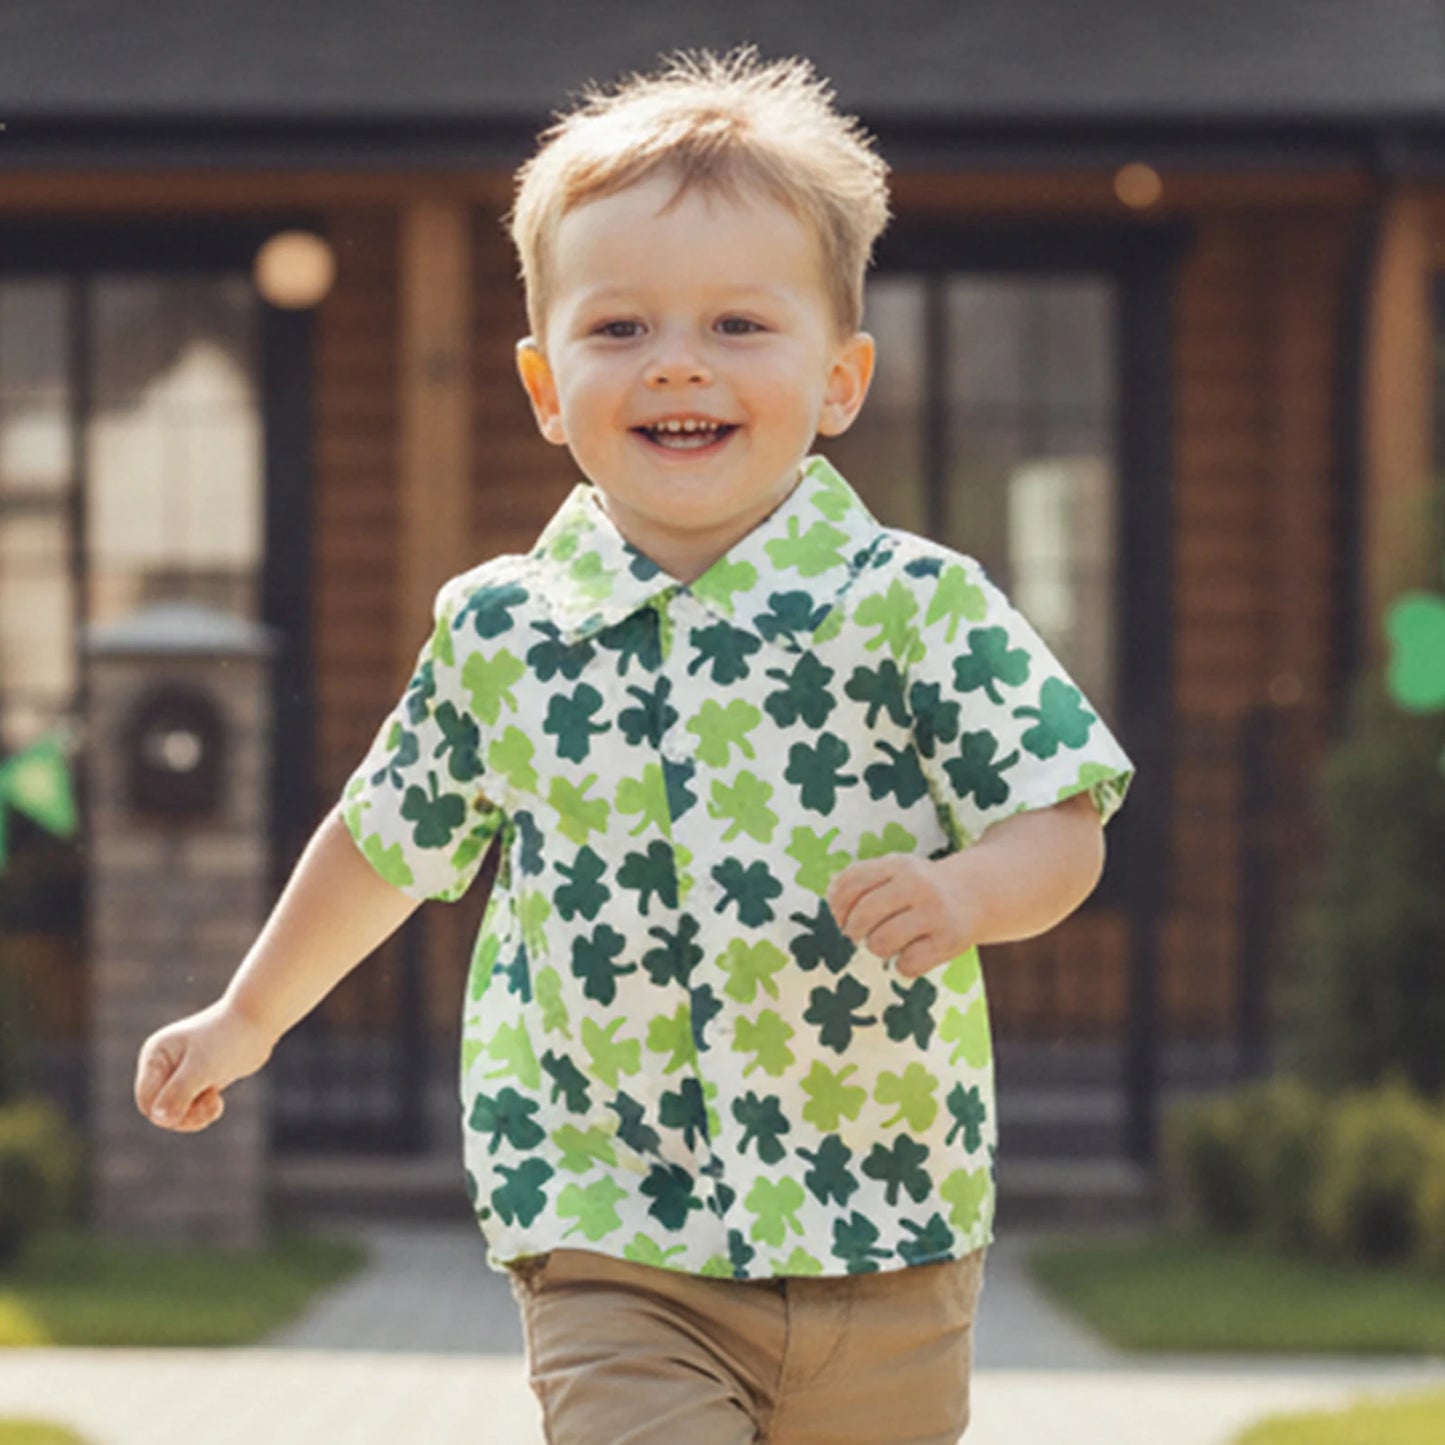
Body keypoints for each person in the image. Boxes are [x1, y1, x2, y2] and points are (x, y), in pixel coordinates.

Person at [136, 47, 1133, 1444]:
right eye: (619, 330)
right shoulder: (502, 631)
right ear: (547, 386)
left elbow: (1060, 817)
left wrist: (968, 891)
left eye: (737, 324)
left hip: (883, 1216)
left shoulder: (914, 605)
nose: (676, 360)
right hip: (610, 1225)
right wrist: (248, 1015)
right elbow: (385, 840)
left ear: (839, 378)